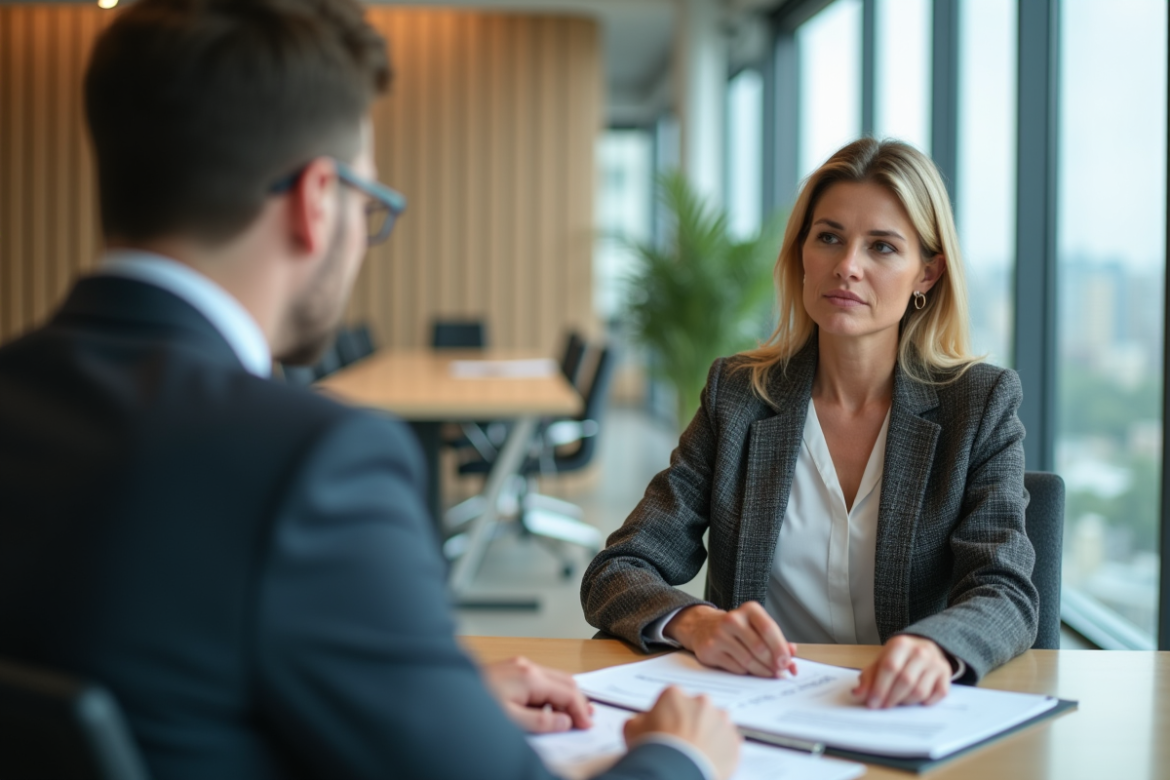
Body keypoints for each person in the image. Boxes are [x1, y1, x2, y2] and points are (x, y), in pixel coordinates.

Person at [0, 1, 741, 779]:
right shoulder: (311, 463)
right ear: (317, 200)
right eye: (370, 206)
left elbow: (170, 699)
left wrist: (428, 701)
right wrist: (676, 758)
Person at [581, 138, 1039, 709]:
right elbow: (619, 568)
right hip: (753, 712)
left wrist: (933, 649)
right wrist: (696, 623)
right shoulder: (739, 396)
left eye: (882, 247)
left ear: (927, 273)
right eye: (829, 238)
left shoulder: (979, 404)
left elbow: (1006, 591)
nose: (848, 266)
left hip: (898, 713)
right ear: (802, 253)